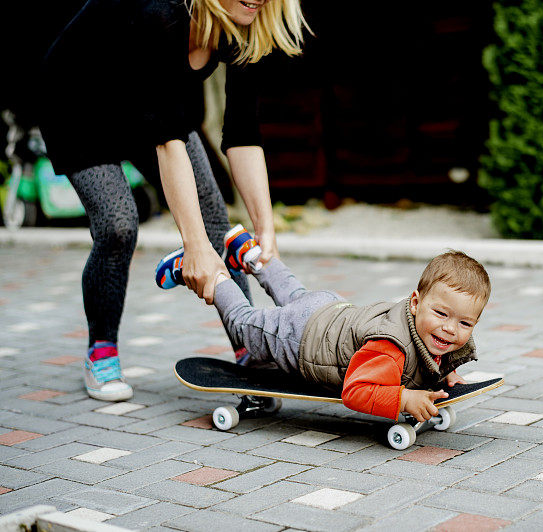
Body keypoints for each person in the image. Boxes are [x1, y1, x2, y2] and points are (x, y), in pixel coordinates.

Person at [38, 0, 308, 401]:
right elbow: (168, 142)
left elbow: (242, 133)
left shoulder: (242, 23)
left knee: (217, 221)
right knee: (118, 225)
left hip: (150, 107)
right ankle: (101, 351)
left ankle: (249, 349)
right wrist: (195, 248)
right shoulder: (162, 13)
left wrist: (266, 232)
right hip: (78, 106)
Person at [156, 239, 492, 422]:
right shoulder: (391, 348)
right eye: (442, 314)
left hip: (329, 307)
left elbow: (434, 352)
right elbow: (355, 391)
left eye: (465, 323)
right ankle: (208, 274)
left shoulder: (428, 327)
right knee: (245, 325)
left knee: (295, 293)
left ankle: (250, 254)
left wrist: (446, 373)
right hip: (300, 338)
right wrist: (403, 397)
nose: (450, 330)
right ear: (416, 303)